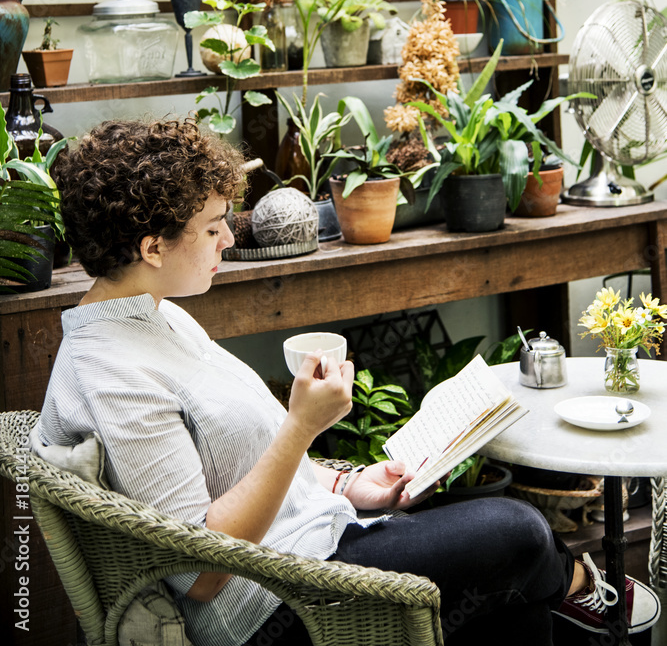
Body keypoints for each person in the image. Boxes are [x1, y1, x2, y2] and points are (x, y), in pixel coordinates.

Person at [39, 118, 660, 646]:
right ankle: (579, 588)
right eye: (212, 227)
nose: (230, 238)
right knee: (517, 533)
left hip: (321, 538)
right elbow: (201, 570)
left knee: (510, 552)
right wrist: (301, 426)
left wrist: (350, 482)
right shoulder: (113, 374)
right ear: (152, 245)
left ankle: (563, 589)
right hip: (278, 603)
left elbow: (238, 460)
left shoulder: (156, 314)